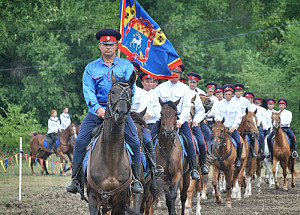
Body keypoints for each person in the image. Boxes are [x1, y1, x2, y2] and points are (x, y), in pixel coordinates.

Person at [66, 29, 143, 194]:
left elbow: (132, 90)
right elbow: (88, 92)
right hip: (97, 112)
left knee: (136, 143)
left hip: (121, 112)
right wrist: (98, 109)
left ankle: (136, 181)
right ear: (100, 46)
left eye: (111, 44)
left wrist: (124, 109)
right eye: (105, 44)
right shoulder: (90, 68)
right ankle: (75, 180)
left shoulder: (127, 66)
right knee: (79, 142)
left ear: (116, 46)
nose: (108, 47)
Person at [151, 65, 200, 180]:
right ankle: (150, 167)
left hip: (179, 121)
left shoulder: (185, 89)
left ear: (180, 74)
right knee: (149, 139)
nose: (175, 75)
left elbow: (187, 106)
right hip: (163, 120)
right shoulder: (160, 88)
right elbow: (154, 104)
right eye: (172, 72)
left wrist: (180, 121)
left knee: (191, 141)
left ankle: (193, 168)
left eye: (177, 73)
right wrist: (161, 118)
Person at [130, 63, 163, 177]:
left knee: (148, 141)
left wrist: (139, 116)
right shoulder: (118, 88)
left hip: (138, 122)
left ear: (137, 76)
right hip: (120, 121)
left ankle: (153, 167)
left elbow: (143, 109)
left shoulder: (142, 93)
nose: (132, 75)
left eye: (134, 73)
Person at [214, 85, 243, 167]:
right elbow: (217, 116)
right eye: (226, 94)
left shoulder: (236, 104)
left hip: (232, 129)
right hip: (222, 129)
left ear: (232, 94)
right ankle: (212, 157)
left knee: (239, 142)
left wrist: (233, 127)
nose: (227, 96)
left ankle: (237, 160)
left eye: (229, 94)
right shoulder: (219, 104)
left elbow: (238, 117)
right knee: (213, 140)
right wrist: (223, 126)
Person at [189, 86, 209, 174]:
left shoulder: (194, 94)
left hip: (192, 123)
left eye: (194, 82)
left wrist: (195, 121)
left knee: (201, 141)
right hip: (176, 122)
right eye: (191, 81)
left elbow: (201, 110)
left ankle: (203, 164)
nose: (192, 84)